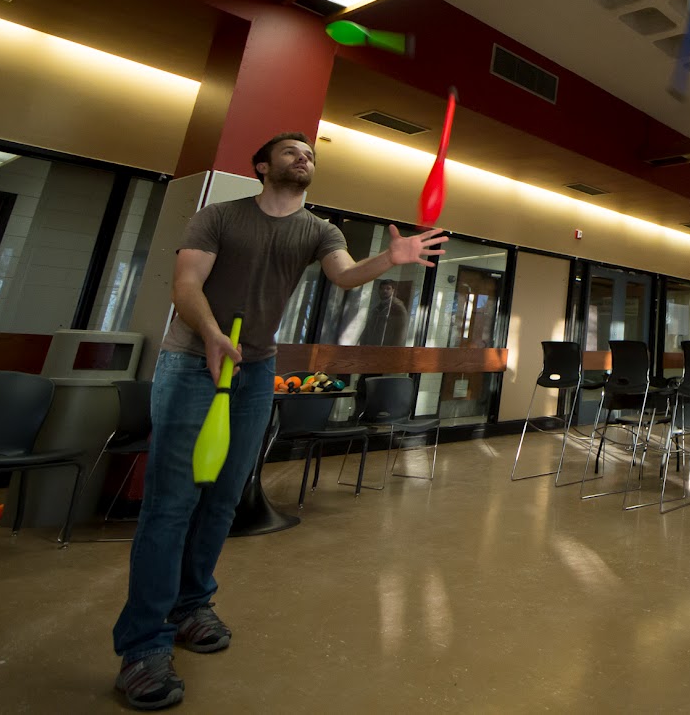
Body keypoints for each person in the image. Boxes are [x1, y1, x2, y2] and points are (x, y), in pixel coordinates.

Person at [112, 132, 447, 710]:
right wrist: (213, 334)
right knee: (171, 503)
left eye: (310, 153)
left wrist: (387, 260)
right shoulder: (218, 217)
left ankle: (193, 605)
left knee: (223, 497)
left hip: (255, 368)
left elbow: (342, 276)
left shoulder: (319, 230)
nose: (304, 157)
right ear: (262, 165)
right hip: (193, 361)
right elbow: (186, 285)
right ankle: (143, 647)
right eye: (291, 151)